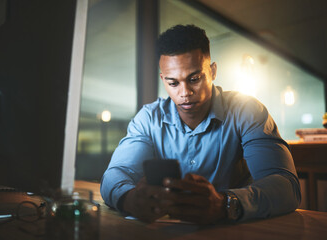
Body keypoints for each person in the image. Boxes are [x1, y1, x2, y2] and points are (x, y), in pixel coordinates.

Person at [100, 24, 301, 224]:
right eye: (173, 83)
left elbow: (286, 187)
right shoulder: (148, 119)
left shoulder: (247, 110)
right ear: (163, 79)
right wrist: (129, 199)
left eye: (194, 78)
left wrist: (225, 204)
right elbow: (115, 175)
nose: (185, 92)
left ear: (213, 71)